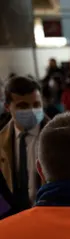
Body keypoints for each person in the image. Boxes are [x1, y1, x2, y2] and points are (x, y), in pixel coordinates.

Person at [0, 76, 48, 213]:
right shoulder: (2, 142)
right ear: (7, 107)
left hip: (50, 217)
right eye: (23, 106)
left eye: (37, 105)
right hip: (14, 220)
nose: (32, 110)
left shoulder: (60, 138)